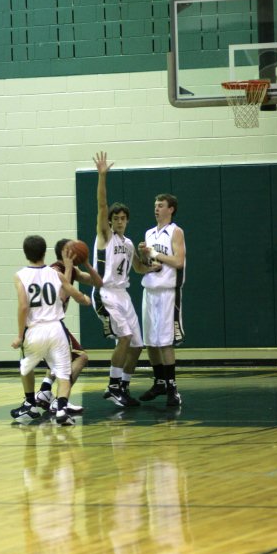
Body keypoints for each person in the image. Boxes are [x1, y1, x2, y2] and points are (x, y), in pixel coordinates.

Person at [91, 151, 158, 408]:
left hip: (124, 294)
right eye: (115, 218)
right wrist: (101, 176)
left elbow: (139, 269)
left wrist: (148, 261)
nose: (119, 221)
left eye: (122, 218)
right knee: (125, 338)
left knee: (137, 345)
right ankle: (112, 385)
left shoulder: (129, 243)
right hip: (106, 293)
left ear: (127, 221)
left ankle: (124, 387)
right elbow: (101, 205)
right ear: (110, 222)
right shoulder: (105, 237)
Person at [10, 235, 91, 425]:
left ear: (25, 253)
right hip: (56, 329)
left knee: (26, 366)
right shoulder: (56, 273)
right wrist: (85, 300)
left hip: (35, 329)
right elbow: (73, 292)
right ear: (44, 252)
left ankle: (30, 404)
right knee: (63, 373)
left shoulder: (20, 275)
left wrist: (20, 335)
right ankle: (62, 409)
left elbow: (23, 306)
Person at [129, 193, 186, 407]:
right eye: (155, 205)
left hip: (168, 293)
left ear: (170, 209)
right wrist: (144, 256)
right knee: (150, 341)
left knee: (165, 341)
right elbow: (148, 262)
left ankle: (173, 389)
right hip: (149, 290)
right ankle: (159, 382)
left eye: (160, 205)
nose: (156, 208)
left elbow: (179, 261)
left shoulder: (176, 231)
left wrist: (157, 254)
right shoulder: (149, 233)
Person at [35, 238, 102, 414]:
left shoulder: (70, 271)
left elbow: (96, 282)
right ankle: (60, 401)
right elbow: (62, 297)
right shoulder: (55, 270)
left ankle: (44, 391)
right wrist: (70, 267)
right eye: (71, 249)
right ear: (64, 253)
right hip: (49, 323)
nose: (74, 251)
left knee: (59, 359)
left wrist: (86, 262)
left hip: (46, 325)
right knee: (80, 357)